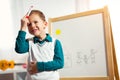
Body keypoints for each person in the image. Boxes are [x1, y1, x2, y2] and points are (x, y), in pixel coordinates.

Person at [15, 10, 64, 80]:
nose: (32, 26)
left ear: (45, 24)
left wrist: (39, 66)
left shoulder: (55, 42)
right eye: (29, 24)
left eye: (35, 22)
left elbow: (59, 63)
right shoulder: (29, 42)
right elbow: (19, 49)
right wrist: (23, 27)